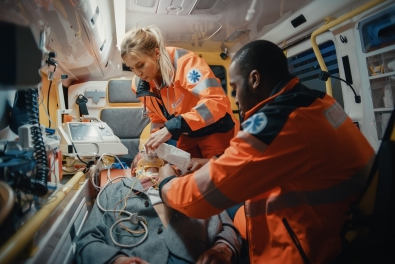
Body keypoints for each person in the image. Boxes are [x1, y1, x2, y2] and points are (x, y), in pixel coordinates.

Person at [157, 40, 376, 263]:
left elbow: (200, 199)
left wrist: (166, 184)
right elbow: (264, 159)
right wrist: (213, 162)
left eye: (234, 88)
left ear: (254, 79)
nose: (234, 99)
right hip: (336, 229)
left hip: (314, 251)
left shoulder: (279, 121)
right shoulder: (317, 102)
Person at [75, 151, 241, 264]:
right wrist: (116, 260)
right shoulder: (114, 191)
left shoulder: (190, 186)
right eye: (144, 151)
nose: (151, 151)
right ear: (133, 170)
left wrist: (223, 249)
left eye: (158, 152)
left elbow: (227, 226)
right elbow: (87, 239)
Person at [120, 25, 239, 158]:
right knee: (182, 172)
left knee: (213, 175)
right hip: (186, 132)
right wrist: (154, 144)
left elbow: (216, 102)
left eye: (140, 65)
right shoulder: (138, 85)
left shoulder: (186, 63)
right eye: (131, 68)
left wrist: (173, 128)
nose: (138, 73)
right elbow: (157, 117)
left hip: (216, 129)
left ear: (157, 53)